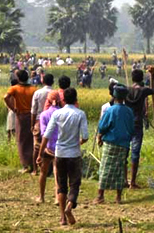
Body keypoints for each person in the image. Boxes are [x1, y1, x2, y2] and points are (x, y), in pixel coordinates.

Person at [38, 88, 88, 226]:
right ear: (76, 99)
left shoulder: (57, 114)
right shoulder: (80, 114)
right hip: (74, 154)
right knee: (74, 183)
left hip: (59, 153)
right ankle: (69, 206)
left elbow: (46, 135)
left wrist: (40, 153)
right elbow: (85, 136)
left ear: (63, 100)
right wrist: (78, 143)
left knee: (61, 185)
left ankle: (62, 218)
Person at [94, 84, 133, 205]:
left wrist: (100, 137)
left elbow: (103, 126)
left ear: (114, 96)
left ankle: (100, 195)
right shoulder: (129, 111)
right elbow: (132, 128)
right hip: (124, 144)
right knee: (120, 170)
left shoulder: (111, 110)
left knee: (105, 168)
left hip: (111, 143)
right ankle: (118, 197)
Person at [125, 67, 154, 189]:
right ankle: (132, 182)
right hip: (137, 124)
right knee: (135, 152)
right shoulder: (143, 91)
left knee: (125, 150)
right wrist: (153, 75)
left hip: (127, 123)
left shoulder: (127, 90)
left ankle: (124, 180)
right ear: (141, 79)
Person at [4, 70, 37, 173]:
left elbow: (5, 97)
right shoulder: (33, 89)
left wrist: (13, 108)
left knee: (21, 140)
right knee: (31, 139)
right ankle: (33, 164)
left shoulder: (14, 88)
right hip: (32, 115)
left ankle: (25, 165)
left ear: (18, 78)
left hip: (21, 115)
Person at [35, 90, 61, 203]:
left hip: (47, 147)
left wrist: (41, 151)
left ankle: (41, 196)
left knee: (43, 172)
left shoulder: (44, 114)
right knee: (57, 173)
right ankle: (57, 197)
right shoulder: (62, 113)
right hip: (59, 147)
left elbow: (44, 133)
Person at [31, 73, 54, 175]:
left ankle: (36, 169)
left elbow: (33, 110)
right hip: (52, 121)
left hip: (39, 120)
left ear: (42, 81)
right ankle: (49, 170)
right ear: (52, 82)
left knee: (36, 146)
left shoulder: (38, 93)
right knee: (50, 145)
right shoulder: (55, 93)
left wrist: (32, 124)